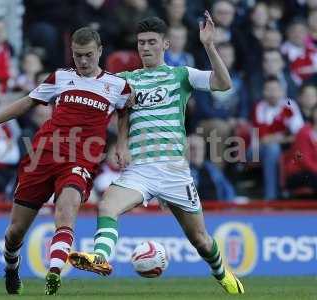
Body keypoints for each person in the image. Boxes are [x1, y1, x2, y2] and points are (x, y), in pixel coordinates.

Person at [68, 15, 244, 294]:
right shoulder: (125, 79)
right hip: (140, 169)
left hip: (174, 170)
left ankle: (222, 274)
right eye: (141, 43)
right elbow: (120, 109)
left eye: (151, 42)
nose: (145, 48)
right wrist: (122, 142)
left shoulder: (181, 75)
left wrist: (209, 46)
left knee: (199, 239)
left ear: (166, 44)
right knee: (107, 206)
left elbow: (223, 84)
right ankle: (100, 257)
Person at [0, 27, 131, 295]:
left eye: (88, 55)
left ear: (99, 51)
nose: (84, 61)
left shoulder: (117, 85)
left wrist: (122, 144)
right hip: (43, 156)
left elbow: (125, 113)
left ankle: (54, 272)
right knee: (15, 231)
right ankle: (11, 265)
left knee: (66, 209)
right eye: (78, 55)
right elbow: (28, 102)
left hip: (81, 158)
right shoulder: (61, 77)